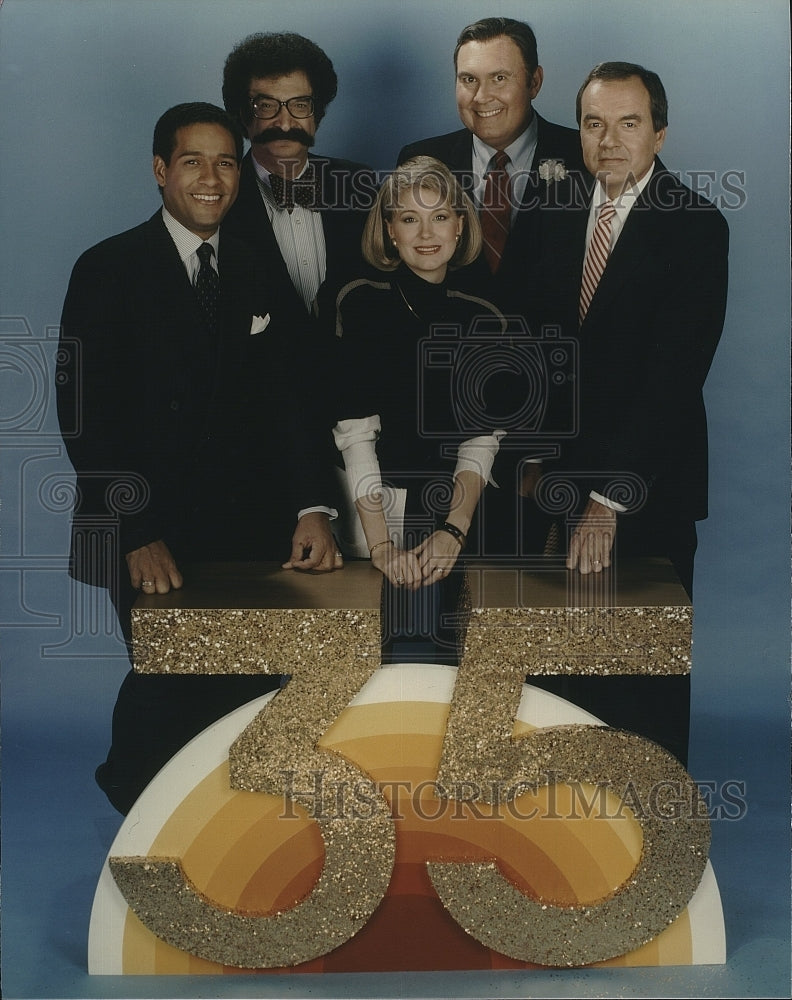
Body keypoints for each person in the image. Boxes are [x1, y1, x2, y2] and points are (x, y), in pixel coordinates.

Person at [57, 103, 341, 814]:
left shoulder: (252, 265)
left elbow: (286, 401)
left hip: (245, 526)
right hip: (146, 526)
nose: (212, 178)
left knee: (243, 690)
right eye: (193, 161)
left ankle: (219, 848)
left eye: (225, 162)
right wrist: (135, 530)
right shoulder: (107, 267)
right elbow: (83, 417)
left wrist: (314, 506)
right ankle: (136, 815)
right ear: (160, 171)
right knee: (172, 678)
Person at [526, 63, 729, 763]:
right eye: (593, 123)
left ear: (660, 133)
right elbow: (525, 346)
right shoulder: (548, 211)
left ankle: (653, 836)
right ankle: (562, 841)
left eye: (629, 123)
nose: (609, 140)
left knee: (644, 684)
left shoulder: (698, 227)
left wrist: (610, 500)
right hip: (549, 485)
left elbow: (673, 378)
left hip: (648, 490)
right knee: (553, 683)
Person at [331, 156, 509, 665]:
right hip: (373, 513)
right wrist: (383, 545)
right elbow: (355, 436)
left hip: (459, 515)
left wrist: (453, 531)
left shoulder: (485, 314)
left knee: (457, 669)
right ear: (389, 230)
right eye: (409, 219)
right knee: (369, 670)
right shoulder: (357, 301)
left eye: (439, 217)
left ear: (460, 224)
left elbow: (482, 440)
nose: (426, 233)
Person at [398, 16, 584, 313]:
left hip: (558, 351)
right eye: (469, 79)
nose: (481, 97)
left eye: (499, 78)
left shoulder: (585, 155)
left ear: (534, 82)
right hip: (448, 351)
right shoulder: (423, 160)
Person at [221, 31, 375, 315]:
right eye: (266, 106)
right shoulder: (219, 198)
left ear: (317, 114)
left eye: (300, 105)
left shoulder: (357, 183)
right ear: (243, 115)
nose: (285, 122)